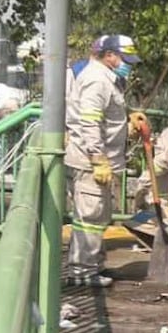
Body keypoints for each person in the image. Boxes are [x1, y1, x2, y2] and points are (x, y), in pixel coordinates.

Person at [64, 34, 142, 287]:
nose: (128, 64)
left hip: (101, 160)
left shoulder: (108, 79)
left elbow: (106, 117)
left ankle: (92, 266)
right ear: (109, 55)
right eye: (124, 59)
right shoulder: (97, 80)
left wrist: (127, 124)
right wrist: (98, 157)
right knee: (89, 217)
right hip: (90, 162)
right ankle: (82, 272)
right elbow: (90, 121)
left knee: (97, 218)